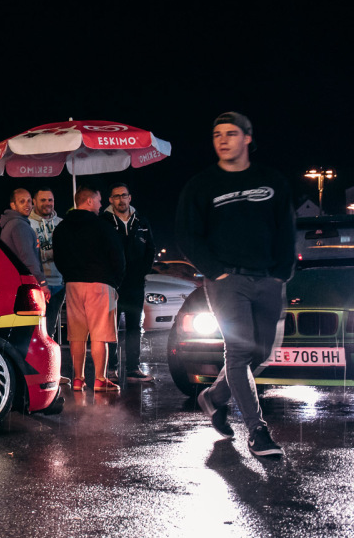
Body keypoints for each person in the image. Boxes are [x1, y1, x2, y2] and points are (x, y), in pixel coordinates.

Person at [177, 112, 294, 457]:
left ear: (247, 138)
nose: (223, 140)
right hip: (227, 282)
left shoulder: (272, 181)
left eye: (231, 133)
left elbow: (286, 228)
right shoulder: (201, 185)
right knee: (239, 352)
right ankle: (258, 431)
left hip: (268, 279)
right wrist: (216, 271)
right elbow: (186, 234)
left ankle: (213, 398)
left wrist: (281, 272)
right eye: (216, 134)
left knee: (259, 352)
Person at [54, 187, 125, 392]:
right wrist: (115, 283)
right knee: (99, 334)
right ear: (89, 201)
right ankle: (100, 380)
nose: (101, 204)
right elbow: (118, 258)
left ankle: (78, 379)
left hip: (73, 284)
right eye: (99, 200)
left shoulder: (62, 227)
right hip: (100, 284)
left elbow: (58, 257)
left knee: (76, 335)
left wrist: (70, 276)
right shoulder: (103, 226)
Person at [104, 182, 157, 383]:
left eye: (123, 195)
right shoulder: (104, 221)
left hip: (135, 285)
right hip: (113, 286)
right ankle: (111, 369)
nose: (120, 199)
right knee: (111, 328)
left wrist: (142, 272)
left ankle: (133, 369)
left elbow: (151, 249)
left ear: (129, 198)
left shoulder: (141, 222)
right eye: (116, 196)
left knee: (135, 328)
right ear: (110, 200)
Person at [0, 188, 47, 295]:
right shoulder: (19, 225)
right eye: (22, 201)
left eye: (29, 201)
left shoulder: (11, 224)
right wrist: (42, 282)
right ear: (13, 205)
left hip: (14, 282)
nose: (27, 204)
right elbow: (28, 257)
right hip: (24, 283)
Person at [29, 187, 64, 334]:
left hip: (59, 284)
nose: (47, 203)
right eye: (43, 200)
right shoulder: (27, 224)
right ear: (34, 202)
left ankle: (50, 356)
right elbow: (27, 254)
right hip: (37, 284)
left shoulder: (61, 223)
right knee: (35, 329)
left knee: (50, 328)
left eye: (50, 200)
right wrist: (48, 254)